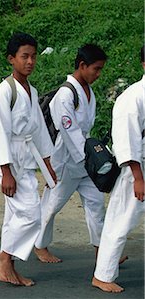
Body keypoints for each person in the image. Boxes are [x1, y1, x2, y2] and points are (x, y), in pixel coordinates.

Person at [0, 33, 56, 286]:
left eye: (33, 56)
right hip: (10, 161)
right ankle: (4, 257)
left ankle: (10, 267)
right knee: (30, 215)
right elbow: (0, 133)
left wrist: (47, 164)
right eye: (24, 56)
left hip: (26, 157)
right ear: (11, 59)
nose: (30, 61)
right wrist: (5, 171)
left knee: (15, 217)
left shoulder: (31, 90)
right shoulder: (2, 92)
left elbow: (38, 130)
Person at [34, 44, 112, 263]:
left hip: (85, 161)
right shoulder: (65, 95)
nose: (98, 74)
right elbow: (69, 132)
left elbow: (83, 131)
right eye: (96, 69)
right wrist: (90, 158)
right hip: (66, 160)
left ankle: (102, 250)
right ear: (82, 65)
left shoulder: (88, 92)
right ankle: (40, 245)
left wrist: (94, 158)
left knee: (96, 204)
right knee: (52, 205)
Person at [92, 46, 145, 293]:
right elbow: (128, 140)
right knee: (121, 220)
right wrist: (137, 177)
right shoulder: (132, 97)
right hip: (135, 169)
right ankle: (103, 275)